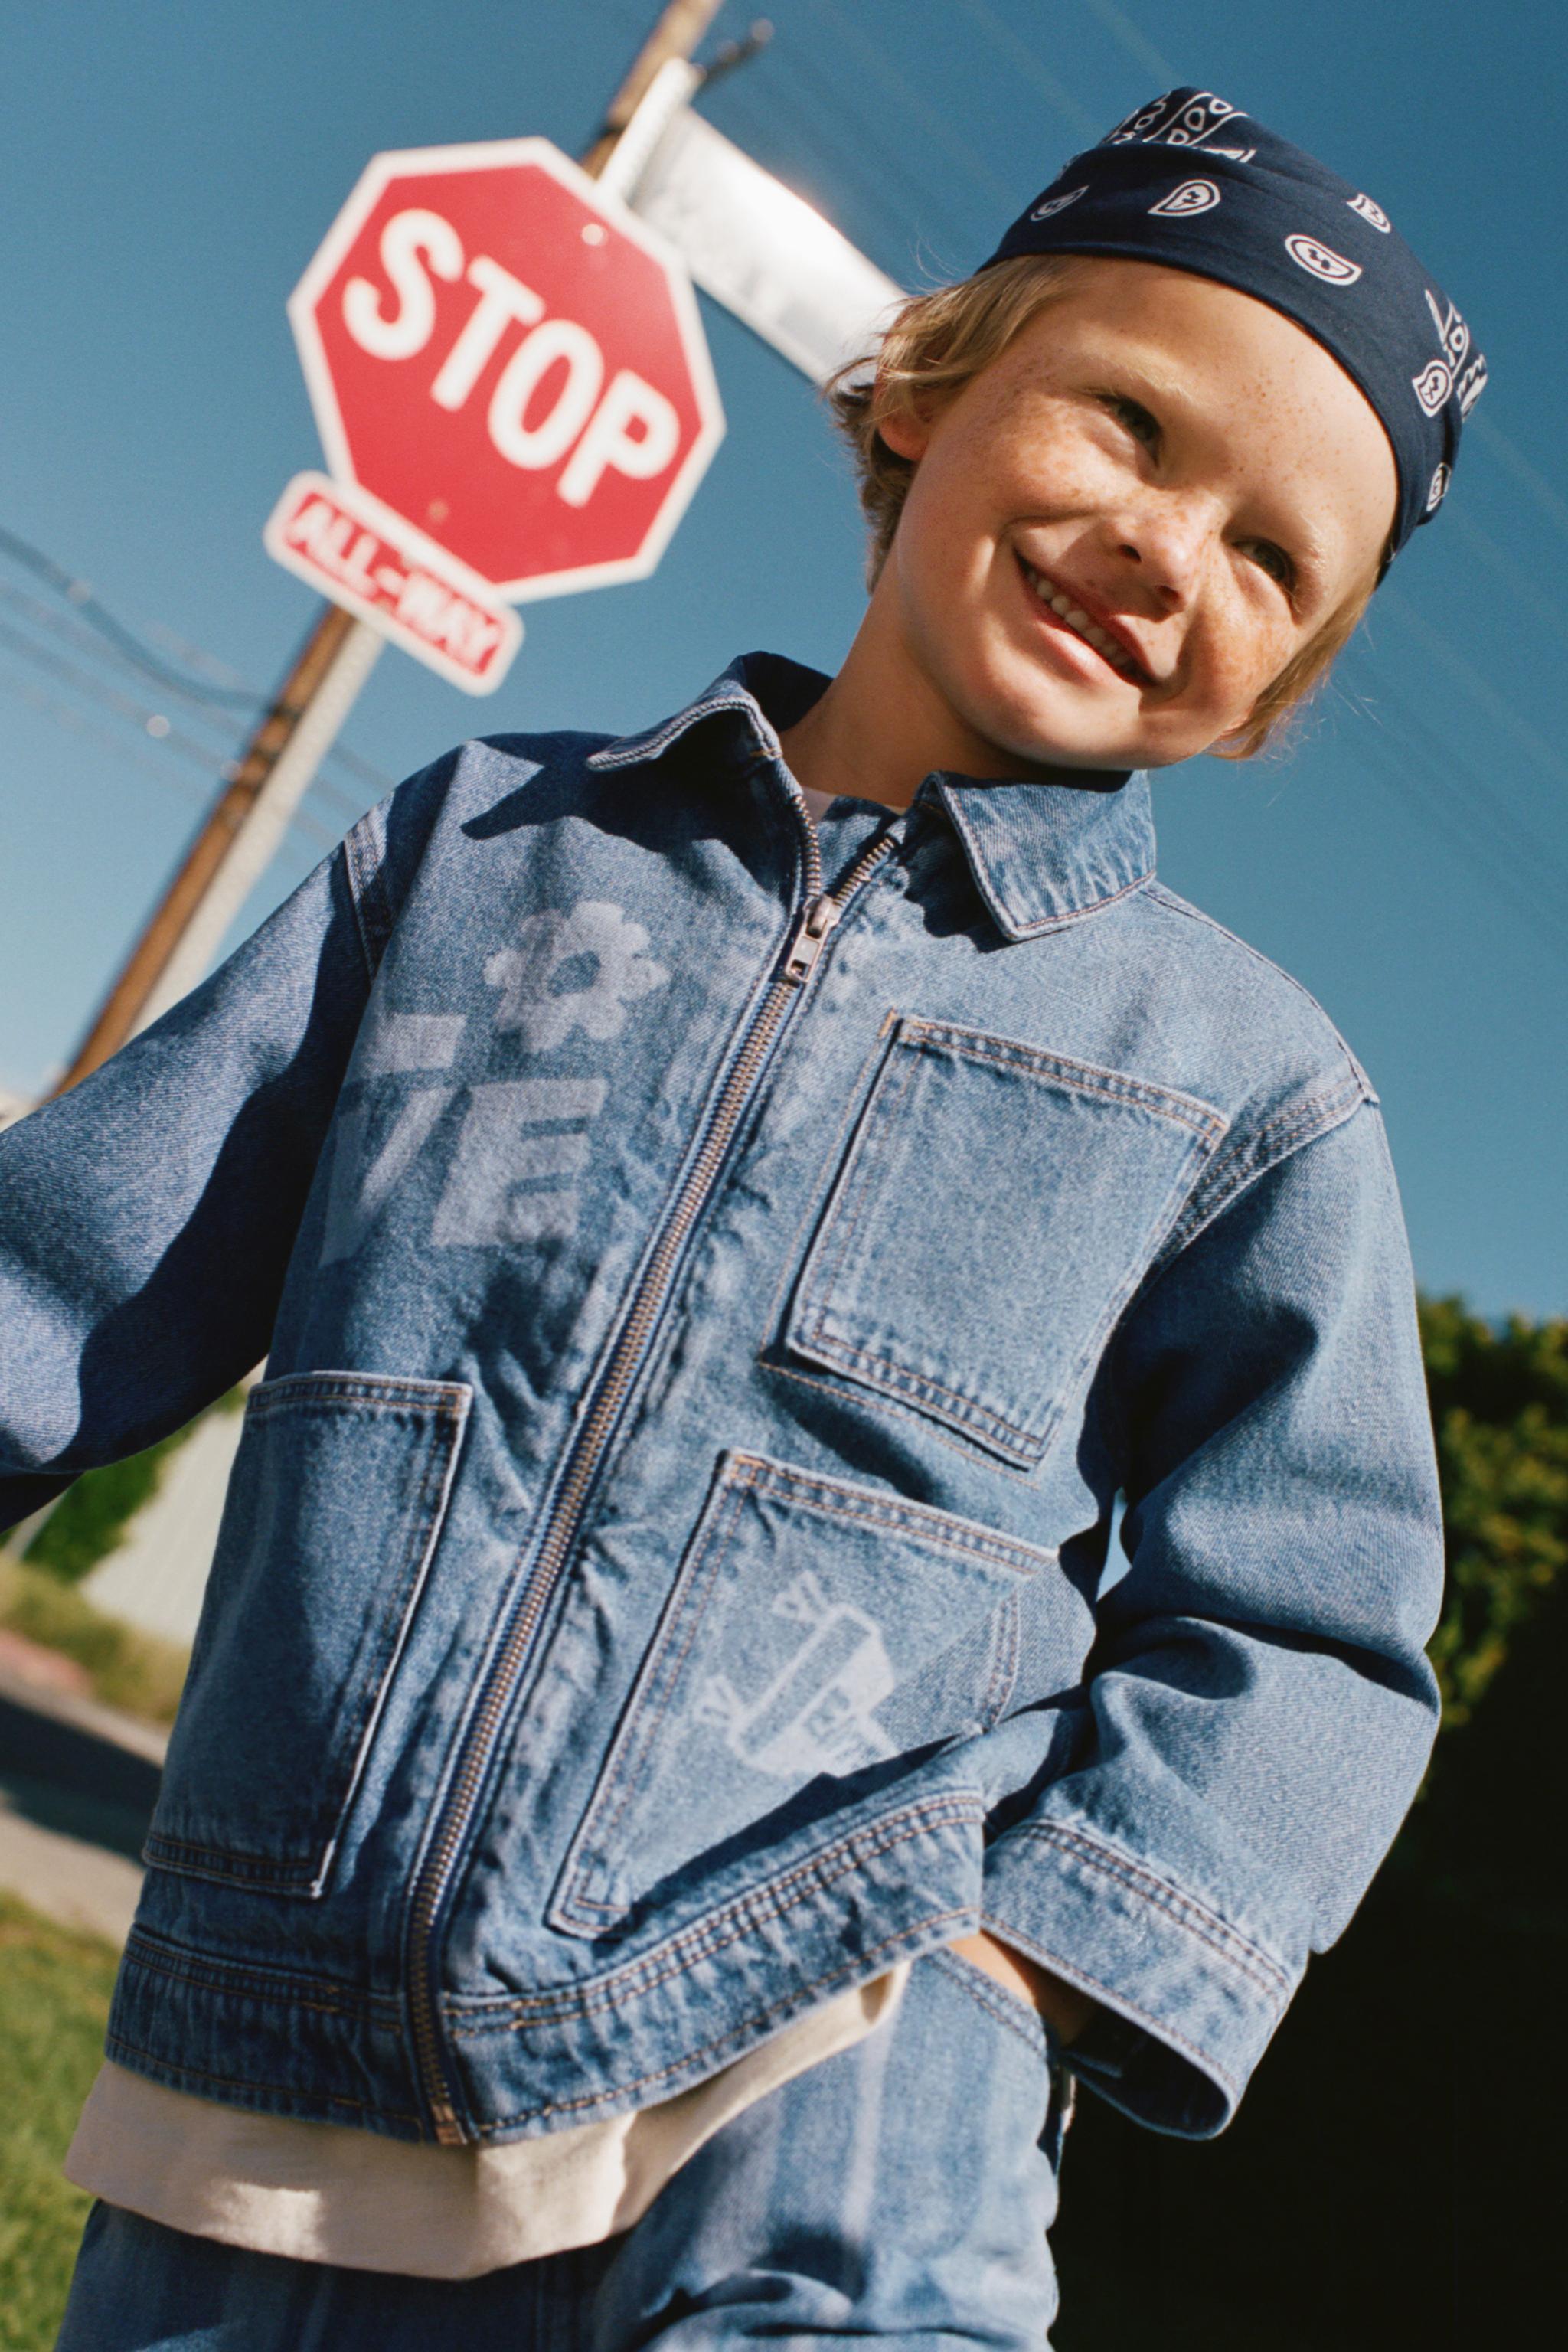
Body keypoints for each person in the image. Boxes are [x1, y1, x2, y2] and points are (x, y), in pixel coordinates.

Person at [9, 83, 1482, 2352]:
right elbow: (81, 1264)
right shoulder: (480, 855)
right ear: (924, 384)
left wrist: (1023, 1969)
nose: (1176, 550)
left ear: (1276, 688)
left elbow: (1312, 1622)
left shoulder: (1247, 1089)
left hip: (822, 2074)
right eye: (1130, 424)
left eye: (1277, 560)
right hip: (270, 2059)